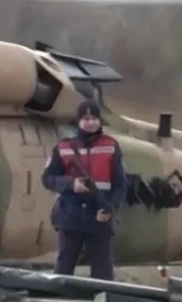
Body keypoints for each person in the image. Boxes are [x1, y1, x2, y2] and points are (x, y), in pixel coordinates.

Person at [41, 99, 128, 281]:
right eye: (86, 118)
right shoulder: (63, 147)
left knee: (102, 274)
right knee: (63, 272)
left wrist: (110, 208)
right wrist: (71, 184)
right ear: (79, 121)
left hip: (99, 220)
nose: (91, 122)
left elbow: (120, 184)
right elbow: (48, 178)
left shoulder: (111, 146)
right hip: (70, 218)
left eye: (94, 118)